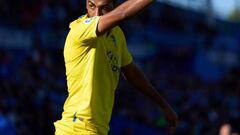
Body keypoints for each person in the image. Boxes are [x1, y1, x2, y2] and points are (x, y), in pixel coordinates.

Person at [54, 0, 178, 134]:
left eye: (105, 8)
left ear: (115, 5)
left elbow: (131, 71)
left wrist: (163, 105)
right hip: (77, 128)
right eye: (92, 6)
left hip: (96, 129)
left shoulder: (117, 35)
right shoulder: (80, 30)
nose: (97, 14)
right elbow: (122, 13)